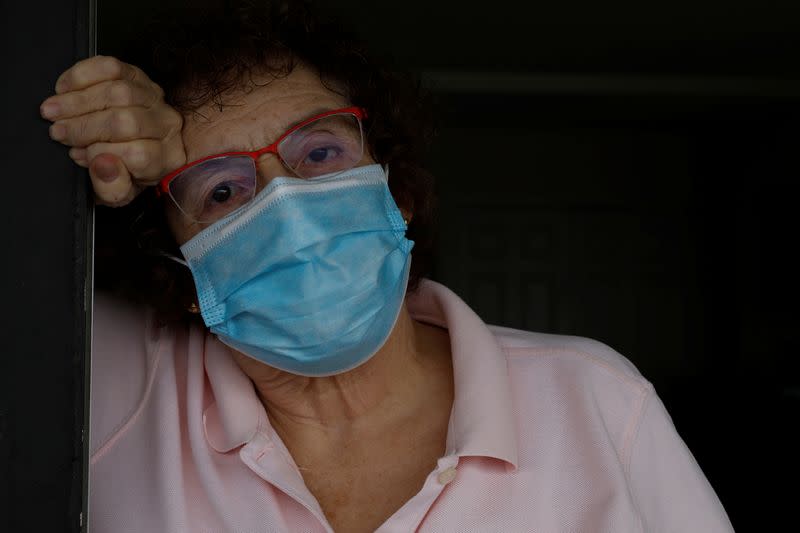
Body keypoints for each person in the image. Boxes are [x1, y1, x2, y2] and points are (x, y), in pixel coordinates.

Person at [42, 1, 734, 531]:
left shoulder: (596, 398)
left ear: (395, 192)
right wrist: (61, 131)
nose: (286, 201)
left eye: (320, 154)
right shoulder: (115, 391)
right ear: (183, 273)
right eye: (222, 192)